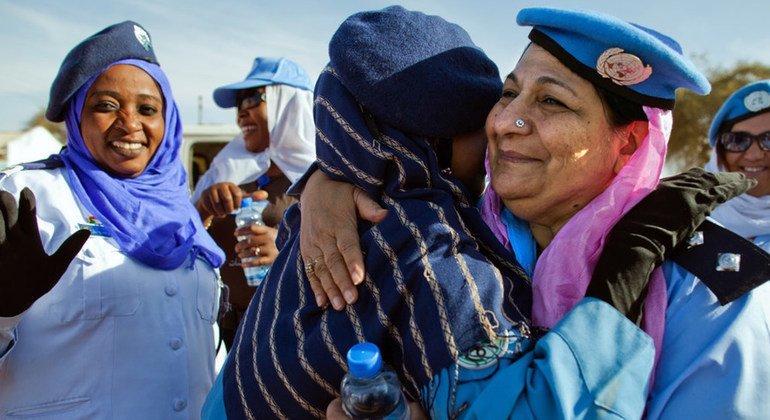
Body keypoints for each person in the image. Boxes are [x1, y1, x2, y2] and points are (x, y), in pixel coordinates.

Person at [208, 6, 751, 420]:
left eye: (551, 102)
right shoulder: (449, 240)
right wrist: (328, 181)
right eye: (508, 94)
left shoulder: (709, 297)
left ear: (630, 145)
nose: (504, 122)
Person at [0, 21, 224, 418]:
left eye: (148, 109)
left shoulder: (181, 215)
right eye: (105, 105)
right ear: (76, 115)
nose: (130, 123)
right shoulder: (28, 196)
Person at [191, 56, 315, 350]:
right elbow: (181, 246)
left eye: (251, 100)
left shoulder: (320, 178)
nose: (240, 115)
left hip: (286, 334)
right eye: (238, 105)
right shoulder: (225, 167)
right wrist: (204, 209)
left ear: (287, 103)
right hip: (220, 331)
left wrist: (287, 251)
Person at [705, 80, 770, 245]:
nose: (754, 155)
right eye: (738, 140)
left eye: (769, 139)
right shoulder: (680, 221)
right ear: (719, 152)